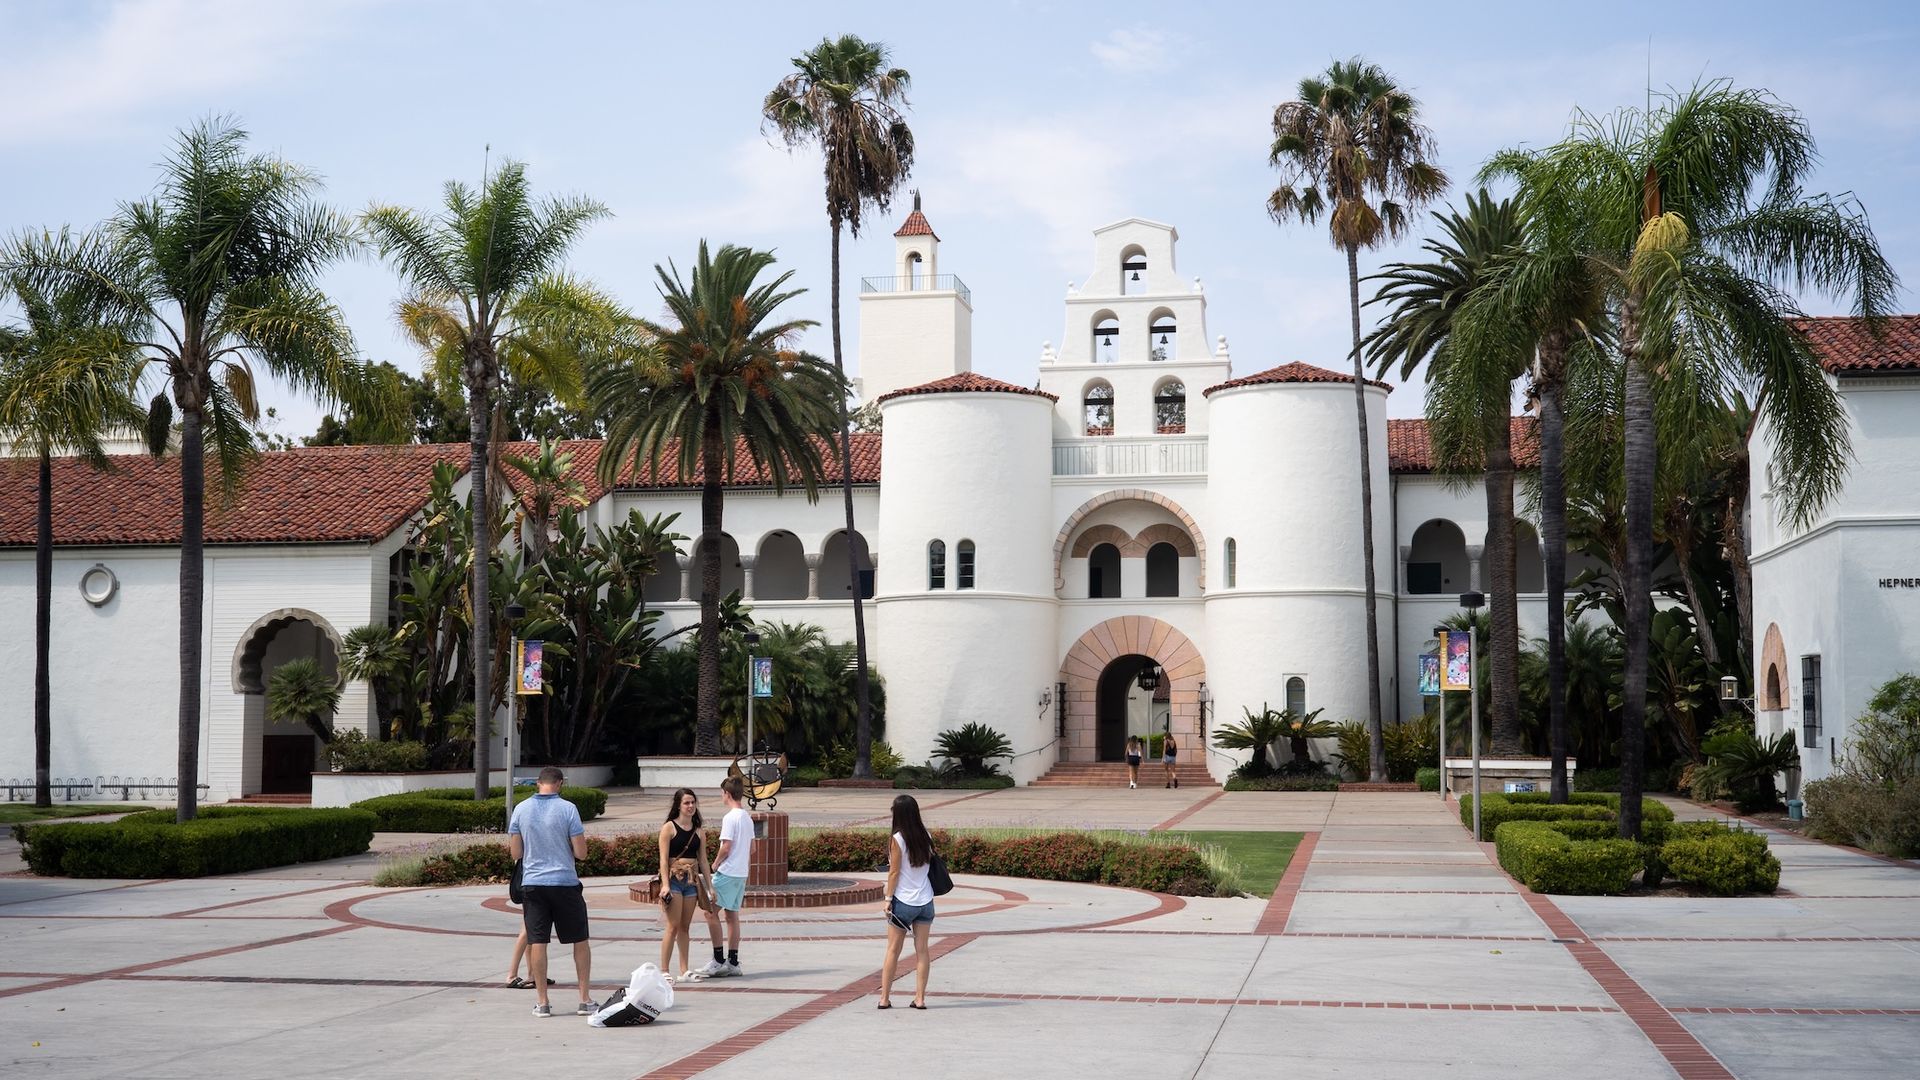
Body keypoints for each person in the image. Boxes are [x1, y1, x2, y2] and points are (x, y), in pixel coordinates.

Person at [507, 766, 592, 1017]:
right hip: (565, 883)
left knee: (538, 942)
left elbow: (515, 854)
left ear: (538, 783)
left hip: (533, 884)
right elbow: (581, 853)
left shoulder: (520, 809)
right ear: (560, 783)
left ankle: (543, 1002)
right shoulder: (568, 809)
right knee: (580, 941)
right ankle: (584, 999)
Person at [878, 794, 937, 1010]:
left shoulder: (897, 839)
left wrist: (887, 899)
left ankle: (884, 998)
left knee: (893, 950)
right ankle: (920, 999)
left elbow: (894, 873)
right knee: (922, 950)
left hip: (903, 901)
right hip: (925, 900)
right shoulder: (927, 836)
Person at [656, 788, 716, 982]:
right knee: (672, 926)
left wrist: (710, 886)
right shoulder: (669, 828)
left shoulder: (699, 831)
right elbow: (663, 860)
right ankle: (664, 970)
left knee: (685, 926)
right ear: (678, 805)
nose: (690, 806)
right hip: (674, 880)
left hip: (691, 882)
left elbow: (704, 861)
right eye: (686, 803)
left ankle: (684, 970)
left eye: (692, 802)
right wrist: (665, 885)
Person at [708, 775, 752, 977]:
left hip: (727, 872)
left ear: (726, 794)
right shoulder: (746, 817)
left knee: (710, 911)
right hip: (741, 873)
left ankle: (718, 960)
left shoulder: (730, 817)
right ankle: (733, 962)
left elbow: (726, 846)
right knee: (731, 915)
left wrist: (715, 864)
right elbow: (751, 850)